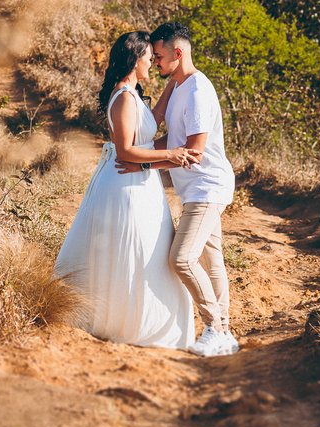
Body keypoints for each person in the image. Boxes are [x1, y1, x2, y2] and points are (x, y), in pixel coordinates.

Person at [53, 31, 201, 348]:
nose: (153, 62)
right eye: (150, 57)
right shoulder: (122, 98)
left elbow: (153, 120)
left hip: (142, 184)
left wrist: (174, 83)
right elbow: (126, 152)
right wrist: (170, 155)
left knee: (147, 251)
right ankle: (128, 322)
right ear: (135, 59)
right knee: (132, 252)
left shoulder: (132, 95)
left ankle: (143, 318)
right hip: (125, 183)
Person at [117, 21, 238, 357]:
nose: (154, 62)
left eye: (158, 56)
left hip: (206, 186)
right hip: (195, 188)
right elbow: (170, 143)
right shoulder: (180, 87)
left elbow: (193, 153)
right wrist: (137, 153)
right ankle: (224, 333)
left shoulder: (198, 90)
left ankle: (215, 327)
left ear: (177, 53)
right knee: (212, 262)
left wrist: (142, 164)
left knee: (182, 259)